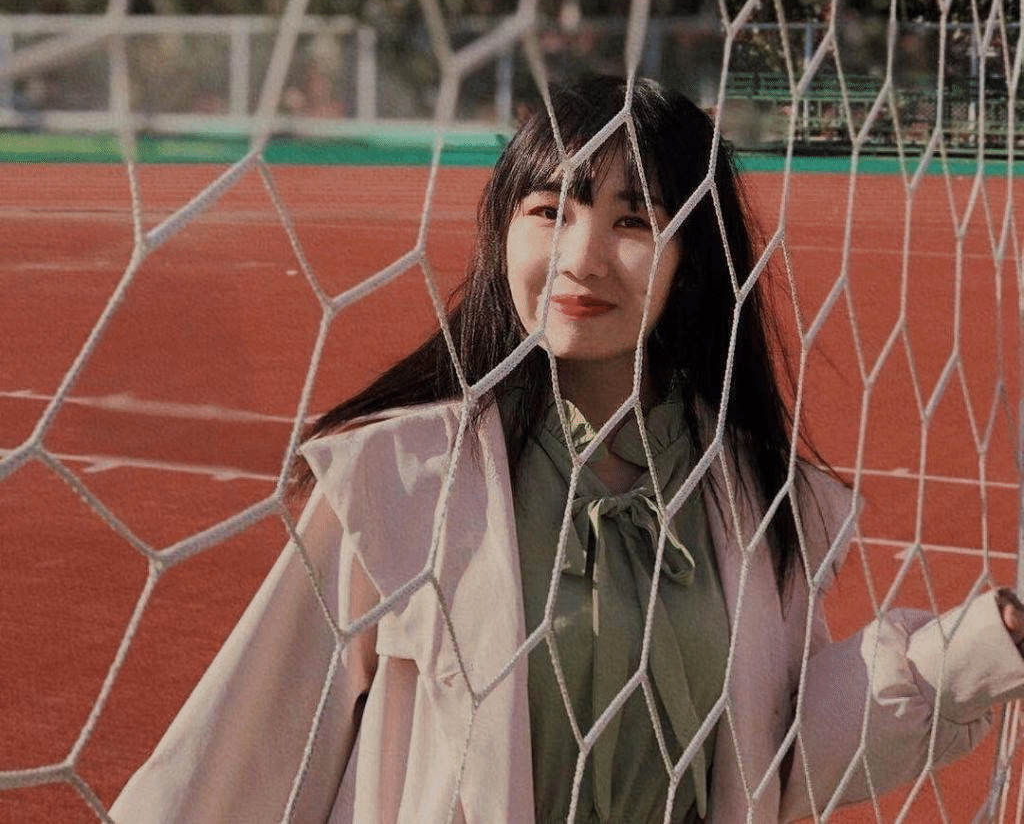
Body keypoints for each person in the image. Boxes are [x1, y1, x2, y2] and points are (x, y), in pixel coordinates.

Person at [110, 75, 1024, 823]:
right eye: (551, 209)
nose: (582, 258)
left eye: (634, 221)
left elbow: (772, 760)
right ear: (501, 230)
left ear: (691, 260)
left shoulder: (750, 493)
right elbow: (245, 751)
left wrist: (992, 641)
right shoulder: (402, 480)